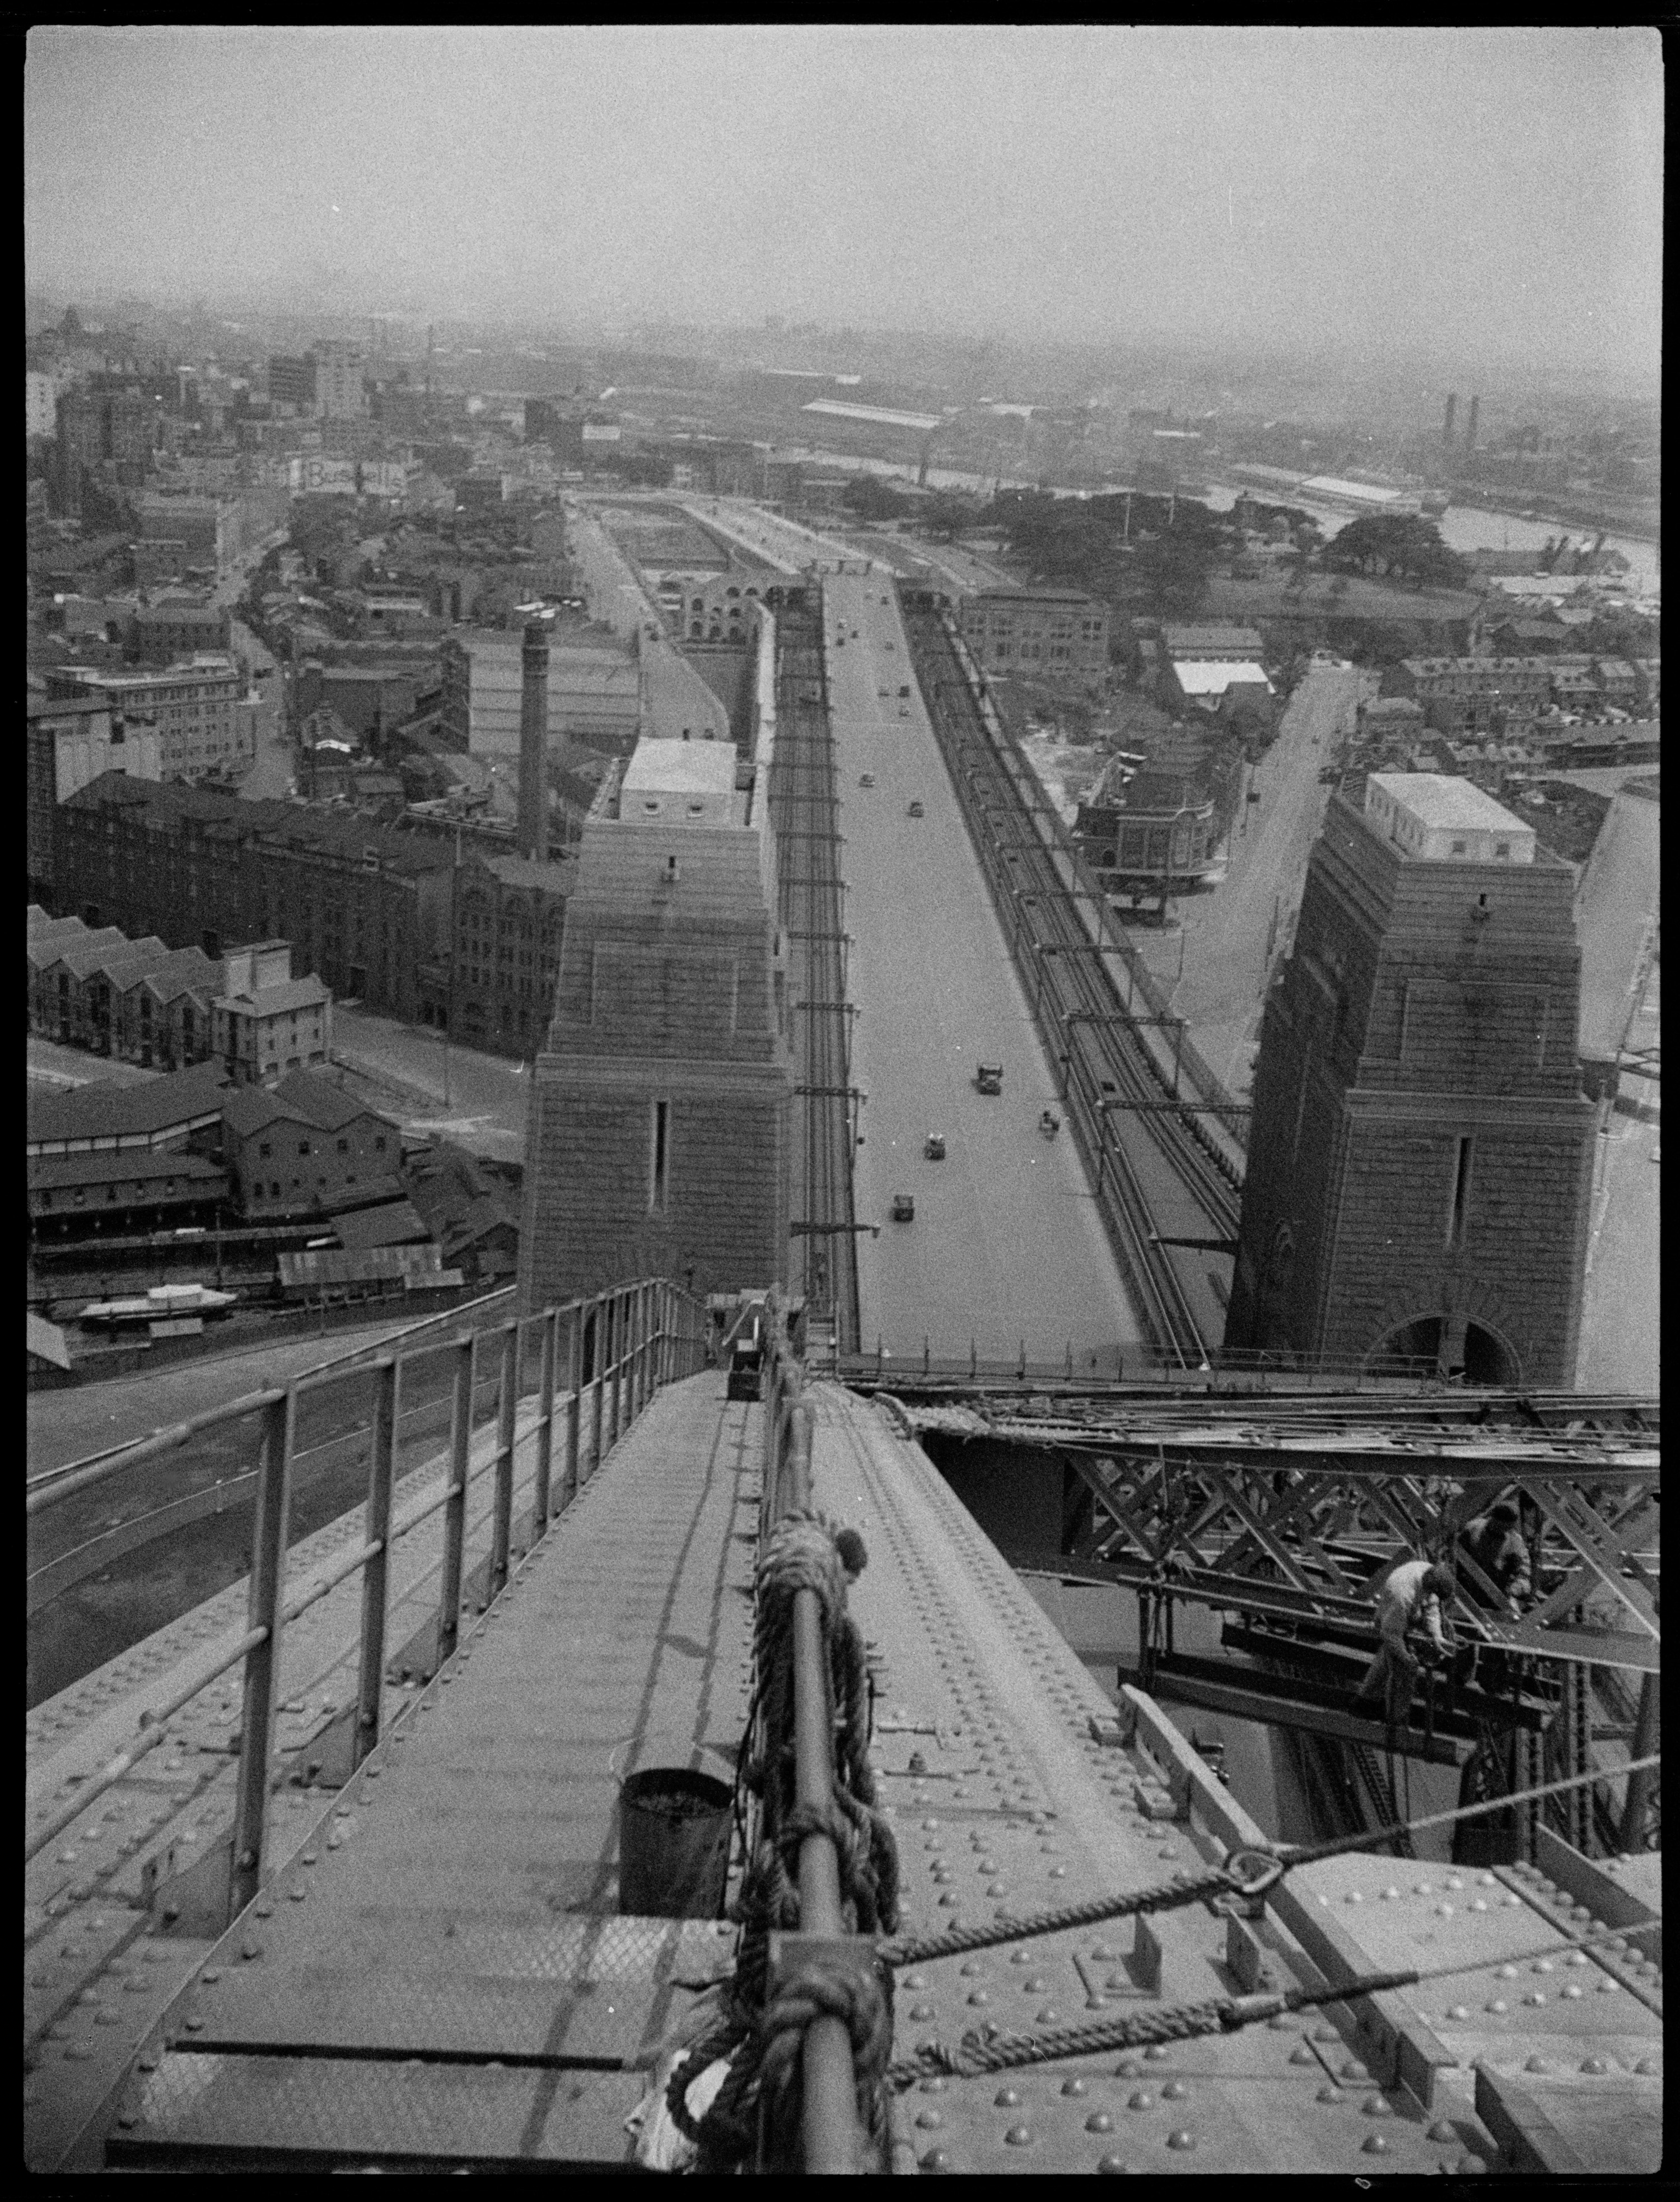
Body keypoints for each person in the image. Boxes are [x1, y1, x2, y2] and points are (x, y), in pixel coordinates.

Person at [1355, 1559, 1456, 1730]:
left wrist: (1438, 1636)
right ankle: (1396, 1721)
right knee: (1404, 1667)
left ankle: (1365, 1702)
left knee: (1387, 1659)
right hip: (1391, 1619)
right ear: (1429, 1587)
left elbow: (1432, 1608)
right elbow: (1391, 1635)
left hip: (1406, 1615)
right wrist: (1406, 1657)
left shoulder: (1428, 1573)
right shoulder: (1403, 1595)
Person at [1462, 1499, 1532, 1620]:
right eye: (1500, 1526)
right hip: (1466, 1594)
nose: (1504, 1531)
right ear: (1493, 1518)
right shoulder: (1473, 1529)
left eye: (1509, 1528)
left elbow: (1523, 1573)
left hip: (1497, 1598)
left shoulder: (1515, 1542)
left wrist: (1516, 1589)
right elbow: (1453, 1557)